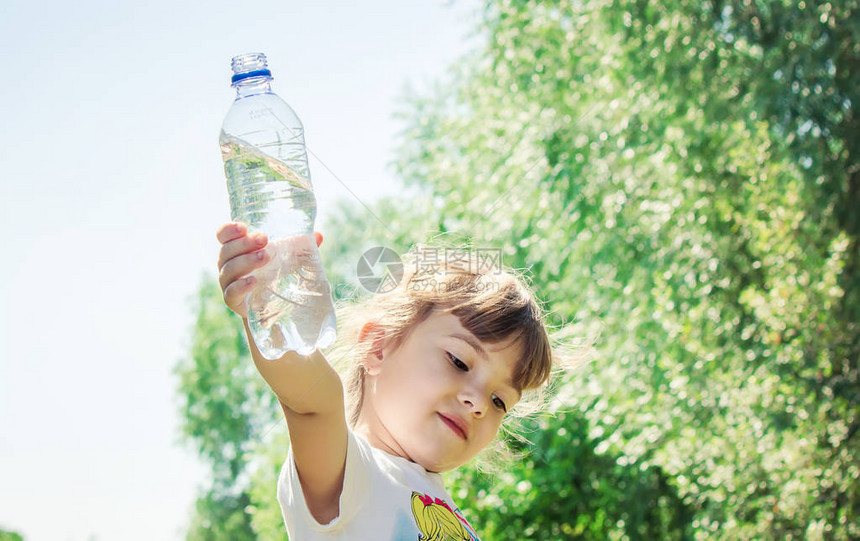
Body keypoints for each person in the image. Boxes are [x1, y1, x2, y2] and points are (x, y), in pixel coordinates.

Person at [216, 221, 567, 540]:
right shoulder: (349, 475)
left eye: (499, 401)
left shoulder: (448, 513)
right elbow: (313, 404)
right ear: (378, 346)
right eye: (459, 361)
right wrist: (266, 306)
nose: (478, 403)